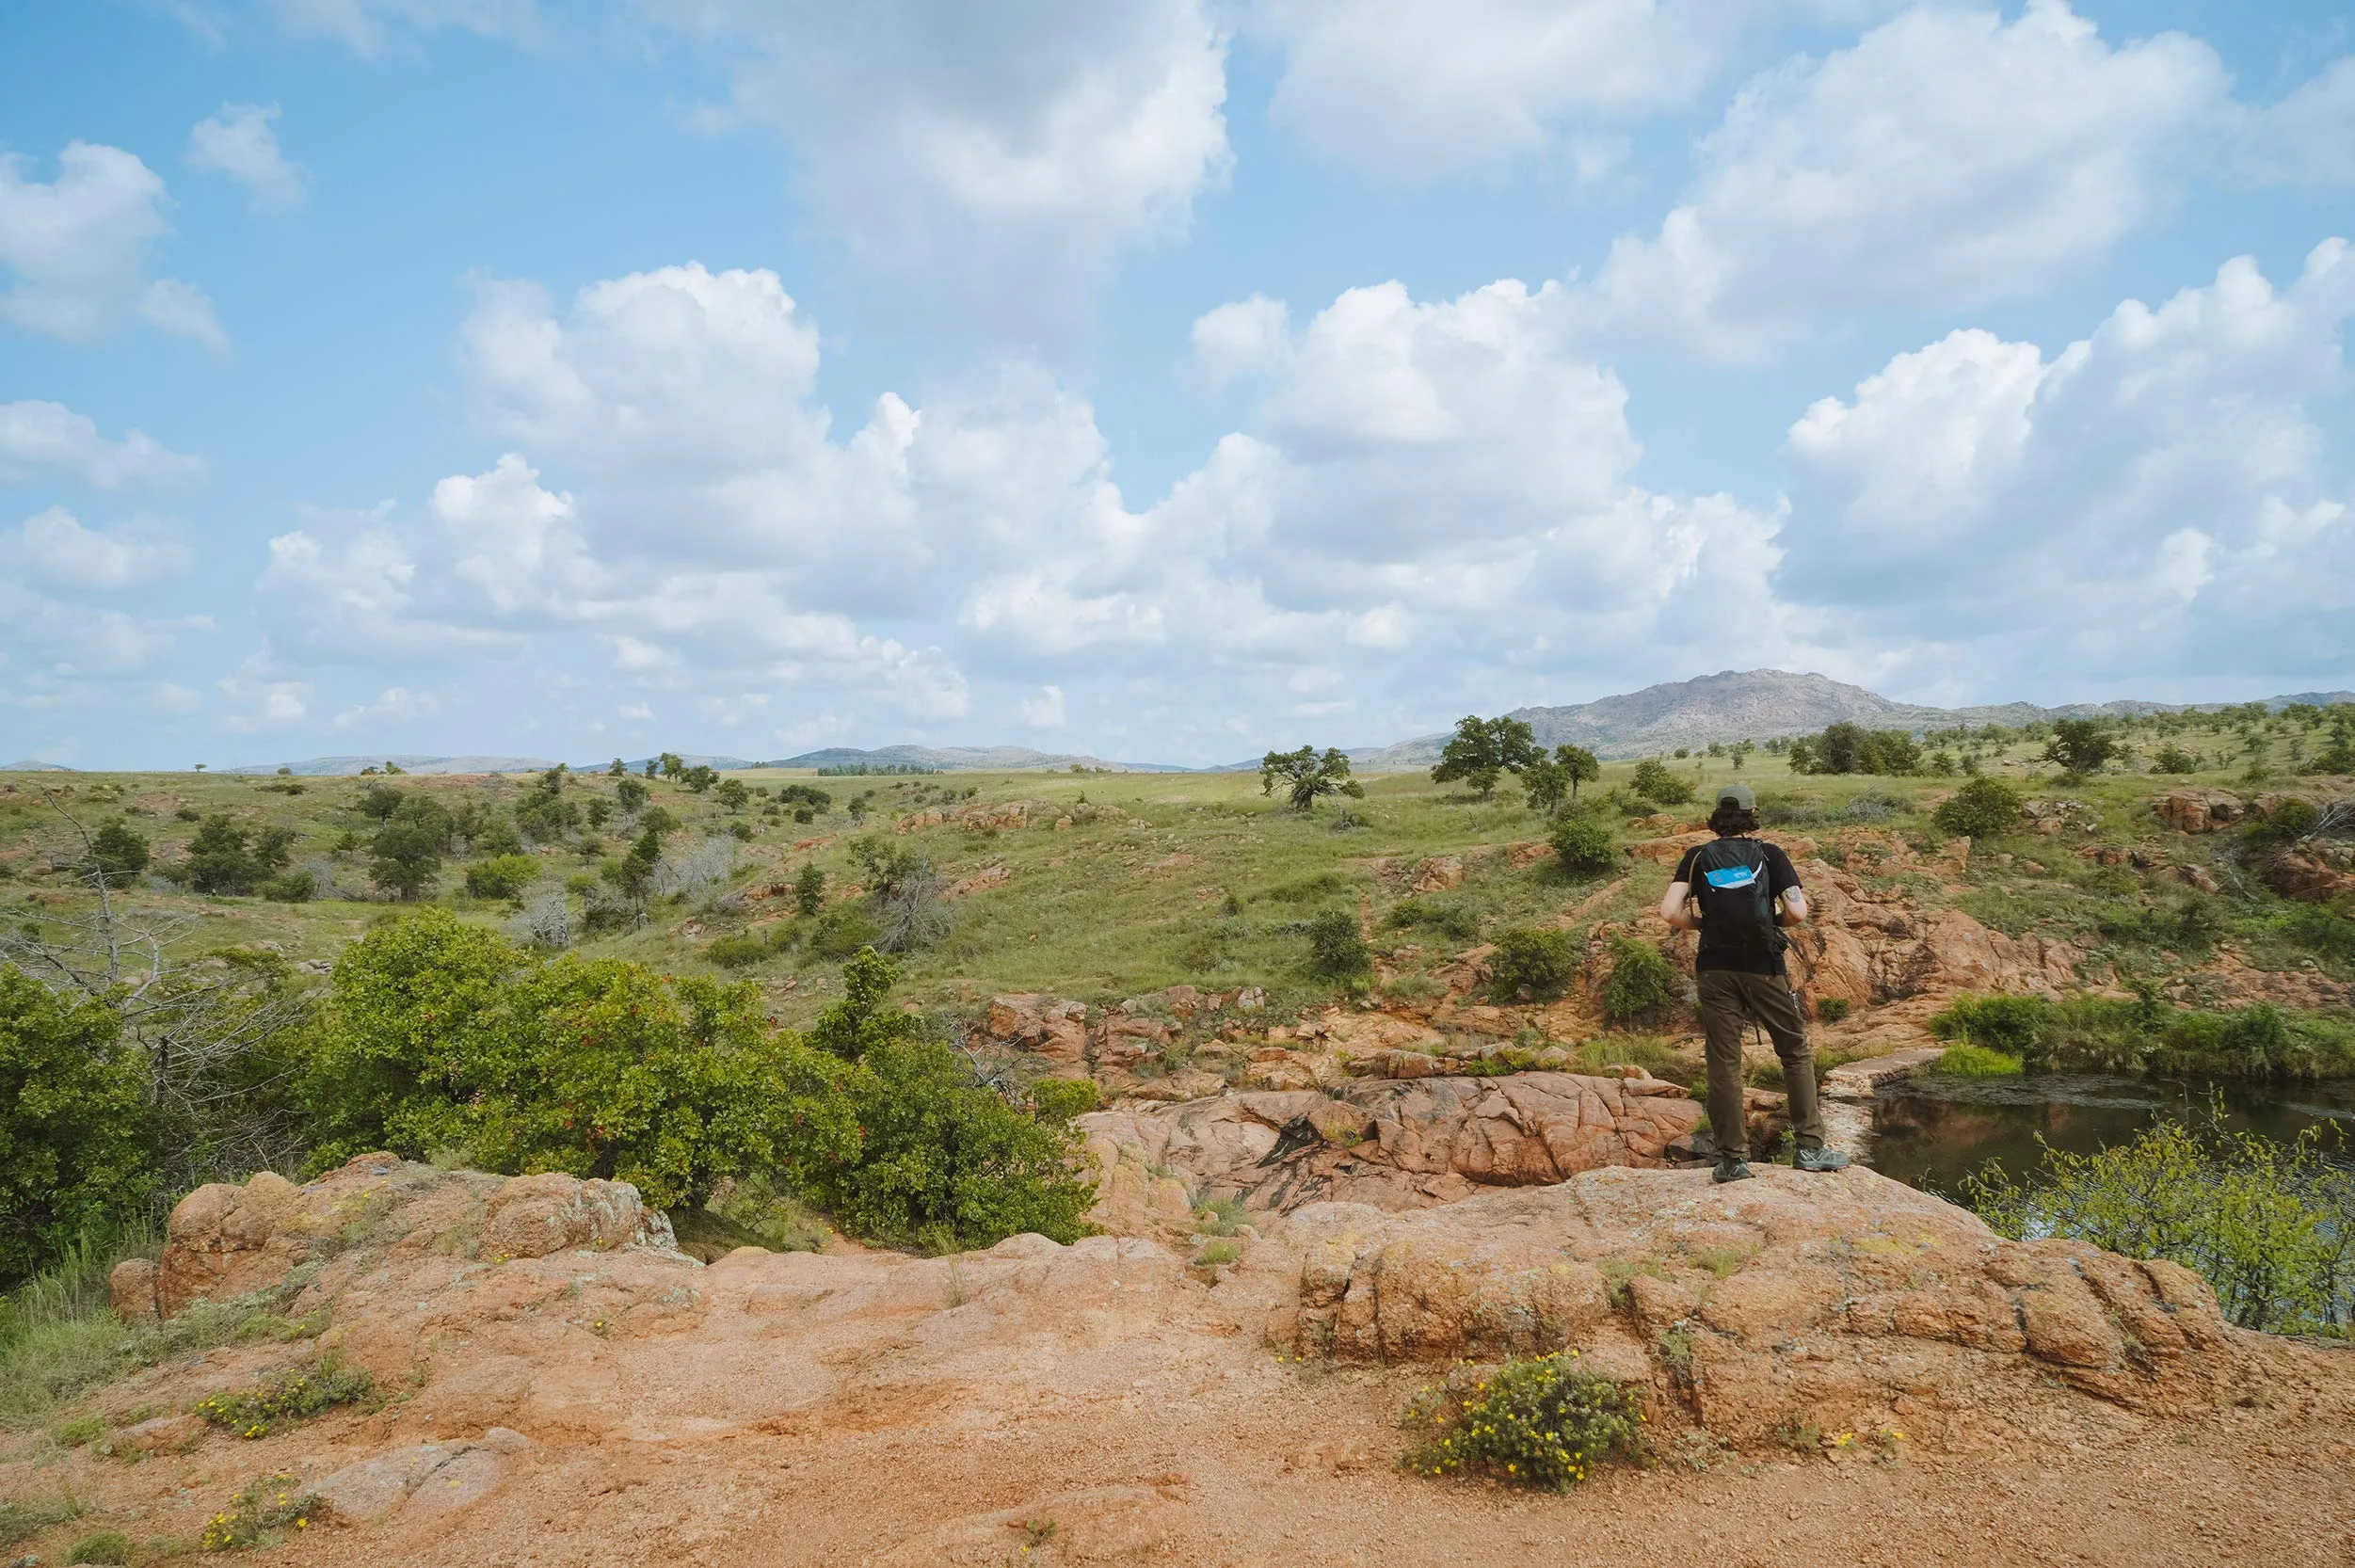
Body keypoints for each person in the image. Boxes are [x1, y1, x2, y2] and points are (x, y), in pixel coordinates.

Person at [1658, 782, 1849, 1183]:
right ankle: (1811, 1149)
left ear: (1717, 815)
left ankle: (1732, 1160)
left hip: (1714, 968)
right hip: (1764, 964)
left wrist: (1704, 924)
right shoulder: (1770, 854)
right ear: (1752, 811)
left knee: (1724, 1061)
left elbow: (1670, 912)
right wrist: (1770, 921)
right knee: (1794, 1051)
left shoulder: (1697, 857)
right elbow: (1798, 912)